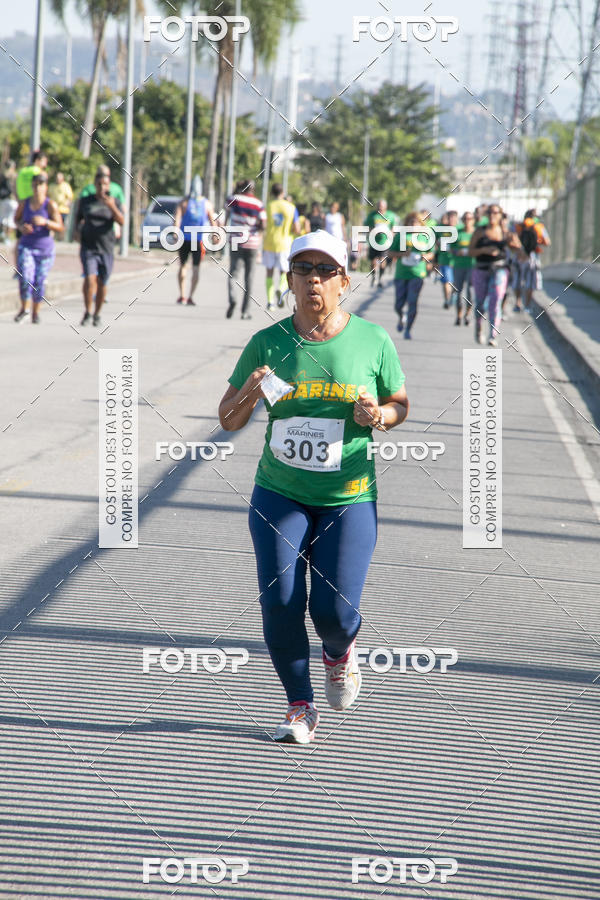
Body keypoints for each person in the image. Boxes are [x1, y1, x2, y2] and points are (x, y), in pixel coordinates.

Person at [218, 229, 409, 743]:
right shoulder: (269, 342)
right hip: (279, 492)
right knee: (280, 601)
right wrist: (253, 393)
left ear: (344, 281)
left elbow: (400, 402)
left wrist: (381, 415)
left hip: (349, 496)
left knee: (335, 613)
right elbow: (228, 419)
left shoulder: (372, 341)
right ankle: (300, 707)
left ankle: (339, 654)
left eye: (325, 271)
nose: (313, 281)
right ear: (289, 279)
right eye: (303, 270)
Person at [468, 203, 523, 346]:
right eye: (490, 213)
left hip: (500, 269)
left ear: (501, 215)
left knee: (496, 300)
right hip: (481, 269)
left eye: (496, 213)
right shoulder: (480, 232)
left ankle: (493, 334)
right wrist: (484, 250)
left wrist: (516, 245)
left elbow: (519, 252)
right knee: (480, 303)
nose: (493, 215)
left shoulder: (506, 233)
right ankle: (479, 328)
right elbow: (471, 251)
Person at [75, 170, 124, 327]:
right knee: (90, 279)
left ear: (109, 185)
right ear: (94, 185)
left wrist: (111, 206)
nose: (102, 187)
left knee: (102, 282)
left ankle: (97, 313)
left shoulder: (114, 201)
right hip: (88, 246)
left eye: (105, 184)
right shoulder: (86, 201)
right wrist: (77, 232)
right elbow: (77, 219)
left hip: (106, 247)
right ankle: (88, 312)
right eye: (99, 184)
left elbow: (122, 221)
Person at [13, 172, 64, 324]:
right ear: (32, 186)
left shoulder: (50, 205)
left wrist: (45, 222)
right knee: (25, 278)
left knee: (39, 281)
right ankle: (24, 309)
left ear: (45, 187)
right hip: (27, 246)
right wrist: (22, 227)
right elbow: (16, 220)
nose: (37, 188)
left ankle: (36, 312)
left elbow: (60, 226)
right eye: (35, 185)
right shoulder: (25, 203)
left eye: (41, 185)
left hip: (45, 249)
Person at [224, 179, 266, 320]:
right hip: (252, 244)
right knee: (249, 279)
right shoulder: (259, 204)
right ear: (253, 189)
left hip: (236, 242)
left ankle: (233, 299)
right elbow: (263, 225)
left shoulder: (234, 199)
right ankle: (245, 312)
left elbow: (226, 216)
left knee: (233, 275)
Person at [389, 212, 434, 339]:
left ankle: (408, 329)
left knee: (412, 301)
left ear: (421, 224)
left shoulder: (425, 236)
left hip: (417, 274)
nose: (413, 225)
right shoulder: (401, 236)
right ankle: (401, 316)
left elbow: (431, 253)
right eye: (411, 222)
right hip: (401, 274)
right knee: (398, 304)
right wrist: (403, 254)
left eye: (416, 222)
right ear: (407, 224)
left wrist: (426, 256)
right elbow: (390, 253)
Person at [174, 175, 216, 306]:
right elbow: (213, 222)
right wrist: (215, 235)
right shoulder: (207, 204)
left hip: (184, 239)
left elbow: (177, 219)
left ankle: (182, 296)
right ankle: (190, 296)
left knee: (183, 266)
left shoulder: (184, 202)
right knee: (196, 268)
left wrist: (175, 232)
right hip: (198, 240)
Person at [263, 183, 299, 311]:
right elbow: (297, 228)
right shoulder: (291, 207)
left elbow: (262, 224)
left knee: (269, 272)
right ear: (282, 193)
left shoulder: (268, 206)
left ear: (272, 193)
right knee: (284, 272)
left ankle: (270, 301)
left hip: (269, 243)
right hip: (284, 243)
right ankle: (280, 291)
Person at [514, 208, 551, 312]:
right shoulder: (539, 227)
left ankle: (517, 302)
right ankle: (527, 305)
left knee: (518, 280)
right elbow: (547, 242)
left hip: (520, 255)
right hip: (533, 256)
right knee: (530, 281)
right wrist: (537, 242)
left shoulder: (519, 226)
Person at [364, 199, 397, 289]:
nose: (380, 207)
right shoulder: (372, 215)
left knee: (382, 261)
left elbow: (393, 228)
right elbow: (368, 227)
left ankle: (380, 278)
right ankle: (374, 277)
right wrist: (374, 232)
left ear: (385, 206)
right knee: (374, 261)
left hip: (385, 242)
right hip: (374, 241)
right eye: (378, 205)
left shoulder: (390, 215)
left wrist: (391, 236)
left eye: (382, 206)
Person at [451, 211, 475, 326]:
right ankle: (459, 315)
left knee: (470, 292)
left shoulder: (476, 233)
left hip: (472, 266)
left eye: (469, 219)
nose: (467, 221)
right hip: (459, 266)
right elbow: (450, 248)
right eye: (465, 219)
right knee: (458, 292)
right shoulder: (458, 233)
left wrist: (473, 252)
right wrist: (457, 252)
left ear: (473, 220)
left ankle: (467, 314)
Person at [436, 210, 458, 308]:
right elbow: (433, 241)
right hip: (444, 260)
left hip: (458, 262)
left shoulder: (460, 229)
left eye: (454, 218)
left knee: (455, 283)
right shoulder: (441, 229)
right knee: (446, 282)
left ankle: (452, 296)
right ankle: (447, 300)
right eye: (450, 218)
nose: (451, 220)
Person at [49, 172, 74, 237]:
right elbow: (48, 196)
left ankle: (61, 238)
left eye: (59, 178)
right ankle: (52, 237)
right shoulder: (52, 186)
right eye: (57, 178)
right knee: (52, 223)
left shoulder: (66, 186)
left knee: (61, 224)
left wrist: (67, 203)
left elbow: (70, 197)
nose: (58, 179)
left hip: (63, 209)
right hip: (53, 209)